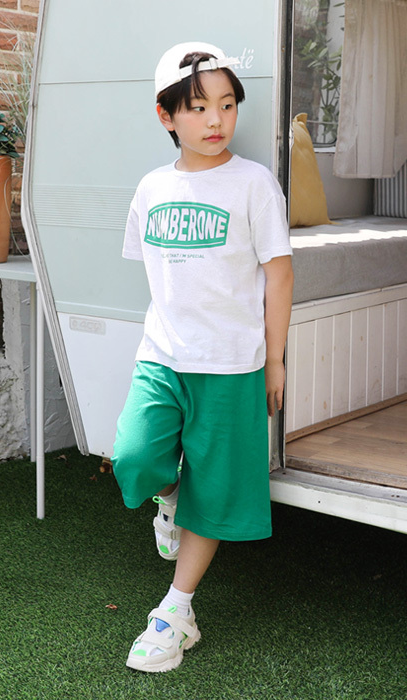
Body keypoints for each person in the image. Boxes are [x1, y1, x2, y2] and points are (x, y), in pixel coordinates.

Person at [111, 41, 294, 673]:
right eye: (197, 107)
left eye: (226, 105)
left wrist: (274, 361)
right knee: (133, 457)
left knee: (212, 495)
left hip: (232, 363)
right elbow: (157, 275)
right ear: (166, 116)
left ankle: (175, 612)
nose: (215, 120)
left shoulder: (254, 184)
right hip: (163, 356)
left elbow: (279, 274)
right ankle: (171, 498)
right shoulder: (151, 188)